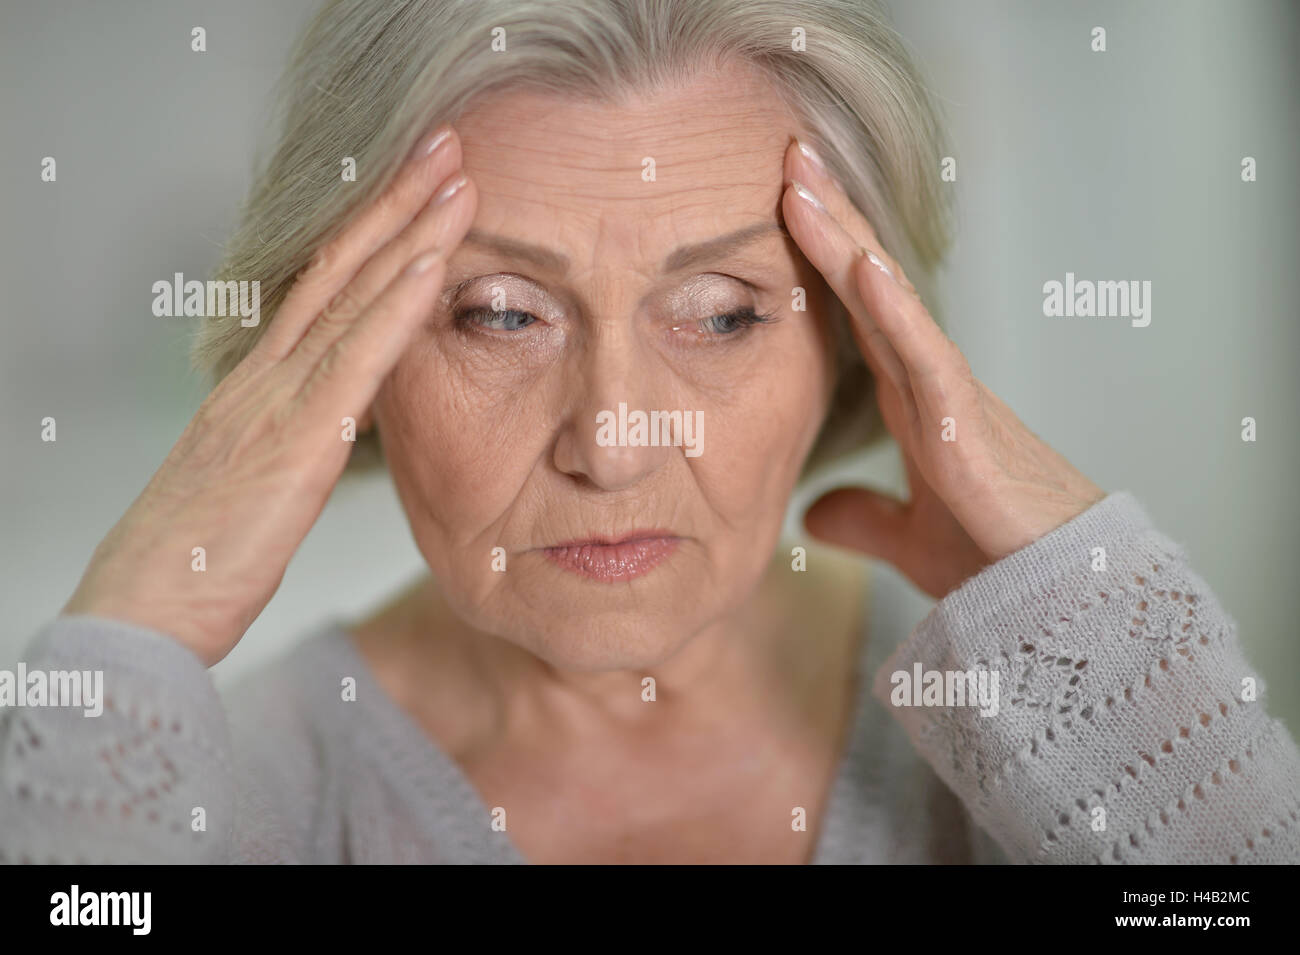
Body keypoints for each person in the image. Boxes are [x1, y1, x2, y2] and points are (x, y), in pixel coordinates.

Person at [3, 0, 1297, 864]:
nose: (611, 446)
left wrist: (1111, 648)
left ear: (857, 336)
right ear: (340, 358)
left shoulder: (1070, 732)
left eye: (724, 314)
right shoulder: (191, 804)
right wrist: (126, 639)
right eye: (499, 315)